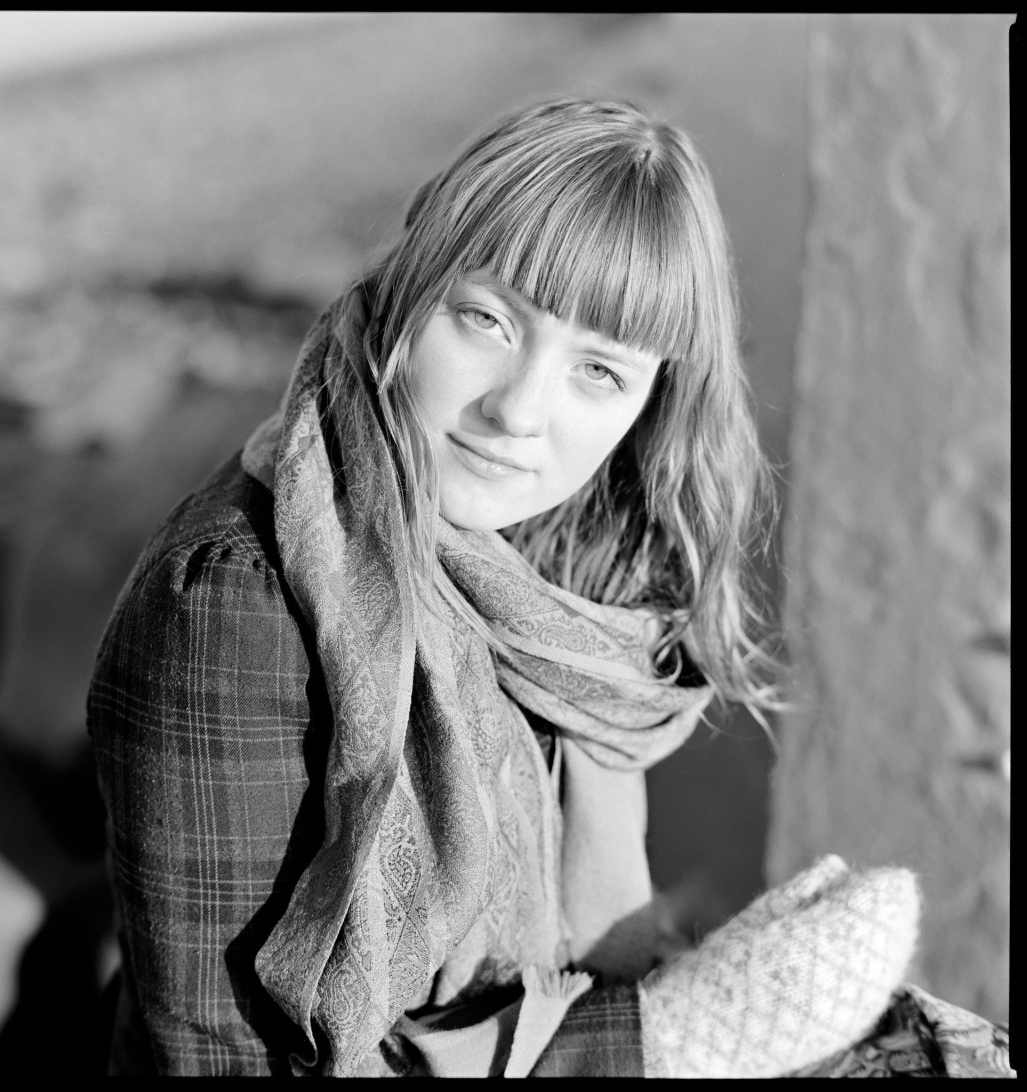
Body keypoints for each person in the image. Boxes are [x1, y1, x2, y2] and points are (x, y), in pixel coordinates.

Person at [88, 98, 1012, 1077]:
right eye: (487, 319)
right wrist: (677, 1036)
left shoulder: (574, 589)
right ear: (409, 289)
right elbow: (221, 1065)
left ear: (652, 404)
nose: (519, 411)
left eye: (599, 371)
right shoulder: (235, 603)